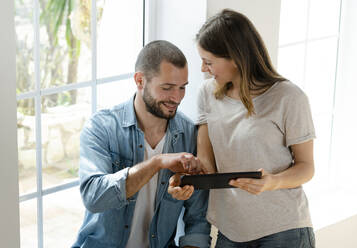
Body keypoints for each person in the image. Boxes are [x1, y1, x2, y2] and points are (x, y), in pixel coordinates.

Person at [169, 9, 316, 248]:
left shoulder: (289, 97)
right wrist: (186, 181)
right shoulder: (207, 94)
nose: (204, 69)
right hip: (231, 230)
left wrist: (272, 182)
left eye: (209, 62)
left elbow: (306, 168)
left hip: (284, 229)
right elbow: (208, 166)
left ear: (235, 58)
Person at [72, 40, 211, 248]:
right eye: (167, 88)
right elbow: (94, 197)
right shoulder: (102, 127)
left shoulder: (189, 135)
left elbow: (198, 220)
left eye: (182, 88)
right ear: (140, 81)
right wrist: (157, 163)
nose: (177, 97)